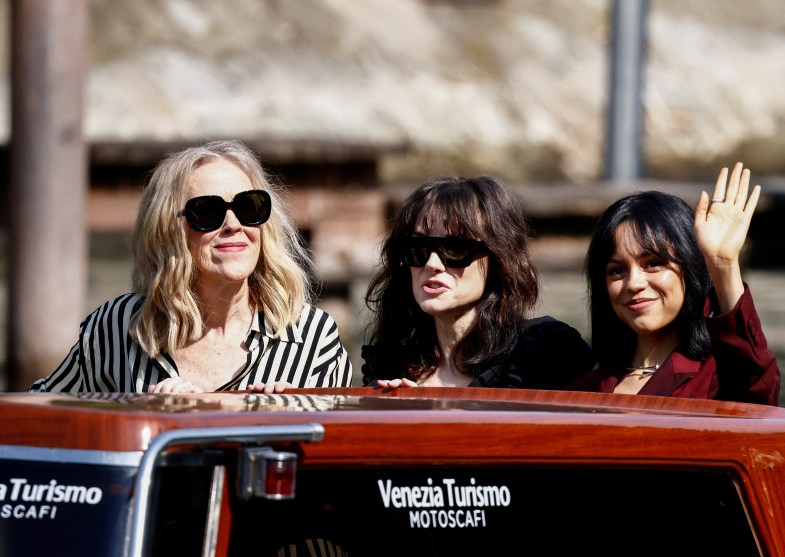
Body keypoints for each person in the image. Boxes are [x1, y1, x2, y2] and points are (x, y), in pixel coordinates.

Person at [29, 139, 352, 394]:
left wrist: (299, 420)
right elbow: (37, 416)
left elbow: (346, 458)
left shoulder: (312, 337)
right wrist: (144, 420)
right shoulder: (117, 327)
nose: (233, 224)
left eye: (248, 206)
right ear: (168, 231)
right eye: (208, 212)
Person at [565, 162, 780, 405]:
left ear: (691, 268)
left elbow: (757, 396)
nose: (634, 283)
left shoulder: (717, 380)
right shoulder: (580, 392)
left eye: (653, 263)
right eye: (617, 270)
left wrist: (723, 265)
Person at [361, 175, 594, 389]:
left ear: (500, 259)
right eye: (418, 247)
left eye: (455, 248)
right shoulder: (389, 365)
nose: (432, 263)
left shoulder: (541, 354)